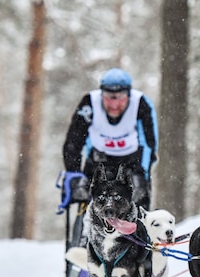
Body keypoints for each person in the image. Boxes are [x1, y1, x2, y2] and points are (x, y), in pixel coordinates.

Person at [62, 68, 159, 209]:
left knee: (137, 202)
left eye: (120, 98)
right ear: (101, 94)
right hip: (98, 162)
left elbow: (149, 146)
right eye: (108, 97)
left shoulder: (141, 104)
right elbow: (73, 142)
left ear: (129, 96)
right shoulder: (89, 103)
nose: (114, 104)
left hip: (132, 163)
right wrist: (74, 174)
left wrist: (142, 174)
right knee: (89, 203)